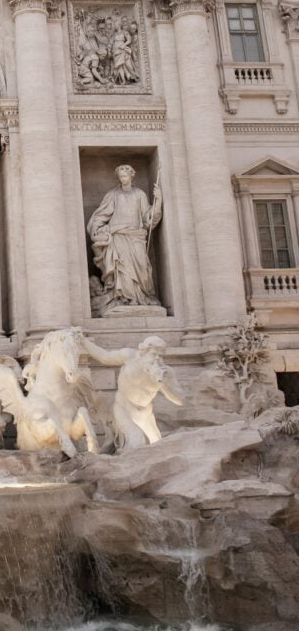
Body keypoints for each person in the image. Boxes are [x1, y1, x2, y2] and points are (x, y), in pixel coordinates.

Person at [81, 335, 183, 449]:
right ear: (144, 352)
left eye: (161, 356)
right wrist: (83, 341)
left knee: (157, 445)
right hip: (123, 408)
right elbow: (104, 357)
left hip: (145, 413)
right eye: (153, 354)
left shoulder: (166, 373)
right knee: (136, 441)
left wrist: (165, 384)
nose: (157, 359)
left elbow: (180, 401)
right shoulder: (129, 357)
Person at [87, 164, 162, 306]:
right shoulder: (113, 194)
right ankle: (125, 298)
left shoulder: (139, 194)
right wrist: (96, 228)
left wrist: (158, 201)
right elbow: (102, 214)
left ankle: (142, 296)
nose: (123, 178)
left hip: (136, 236)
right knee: (123, 267)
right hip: (118, 235)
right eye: (121, 176)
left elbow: (148, 218)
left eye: (125, 176)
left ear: (131, 176)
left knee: (142, 267)